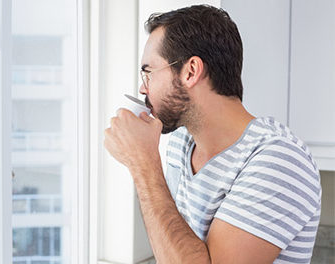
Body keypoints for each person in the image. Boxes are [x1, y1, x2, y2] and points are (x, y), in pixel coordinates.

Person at [104, 5, 321, 264]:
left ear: (191, 71)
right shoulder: (181, 143)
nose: (142, 88)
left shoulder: (280, 160)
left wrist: (144, 166)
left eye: (149, 73)